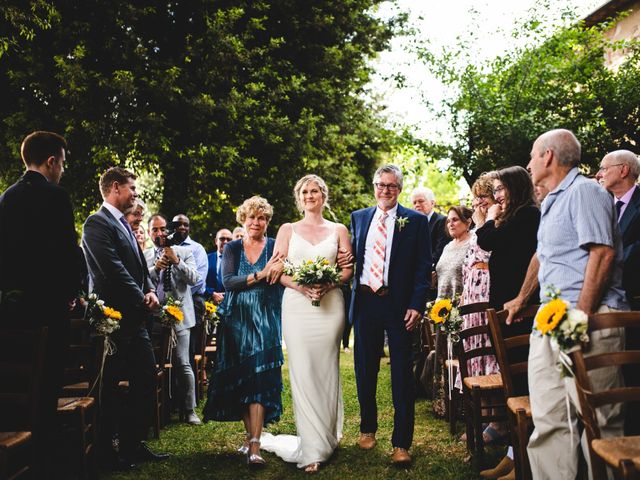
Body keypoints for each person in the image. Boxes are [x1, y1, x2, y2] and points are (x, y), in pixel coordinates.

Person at [505, 129, 627, 480]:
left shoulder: (585, 191)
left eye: (531, 155)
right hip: (549, 319)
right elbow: (543, 256)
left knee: (599, 421)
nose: (528, 163)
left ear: (547, 156)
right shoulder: (552, 201)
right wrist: (522, 297)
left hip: (587, 320)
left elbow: (602, 253)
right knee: (549, 419)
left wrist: (580, 317)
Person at [0, 131, 80, 478]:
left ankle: (18, 456)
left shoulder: (8, 197)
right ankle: (45, 458)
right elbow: (66, 253)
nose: (61, 169)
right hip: (50, 308)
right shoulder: (56, 197)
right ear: (51, 161)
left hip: (15, 311)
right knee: (47, 384)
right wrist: (72, 294)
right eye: (61, 163)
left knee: (16, 383)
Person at [261, 175, 353, 473]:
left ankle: (327, 435)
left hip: (330, 307)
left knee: (326, 369)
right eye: (305, 191)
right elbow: (276, 270)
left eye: (315, 191)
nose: (310, 195)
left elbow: (347, 268)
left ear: (323, 196)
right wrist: (302, 287)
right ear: (298, 197)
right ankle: (312, 446)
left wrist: (327, 284)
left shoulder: (338, 230)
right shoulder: (287, 229)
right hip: (297, 306)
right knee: (302, 371)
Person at [82, 167, 169, 470]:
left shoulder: (123, 224)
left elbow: (137, 267)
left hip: (136, 320)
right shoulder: (96, 223)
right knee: (108, 388)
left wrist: (148, 288)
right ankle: (106, 450)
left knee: (145, 380)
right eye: (132, 187)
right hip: (113, 321)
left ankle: (131, 444)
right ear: (115, 188)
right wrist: (141, 296)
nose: (135, 193)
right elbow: (111, 268)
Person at [349, 164, 431, 465]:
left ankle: (401, 444)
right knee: (364, 370)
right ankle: (368, 428)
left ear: (400, 188)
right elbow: (353, 259)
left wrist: (416, 304)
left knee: (401, 376)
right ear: (374, 186)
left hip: (399, 306)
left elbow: (424, 267)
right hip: (366, 304)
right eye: (380, 185)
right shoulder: (359, 218)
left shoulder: (416, 221)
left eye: (391, 186)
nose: (385, 190)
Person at [203, 196, 284, 467]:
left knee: (260, 378)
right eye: (252, 217)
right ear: (243, 219)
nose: (256, 222)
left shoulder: (275, 246)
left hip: (266, 317)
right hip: (236, 319)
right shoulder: (233, 247)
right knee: (243, 378)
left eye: (261, 218)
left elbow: (284, 276)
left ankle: (256, 444)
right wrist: (261, 275)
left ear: (267, 221)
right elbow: (229, 282)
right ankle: (251, 438)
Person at [596, 149, 640, 436]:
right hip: (610, 304)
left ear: (623, 170)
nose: (599, 173)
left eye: (604, 168)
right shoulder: (605, 207)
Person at [144, 214, 202, 426]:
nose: (159, 234)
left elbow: (195, 279)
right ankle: (156, 410)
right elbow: (140, 281)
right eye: (154, 230)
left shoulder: (185, 252)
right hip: (153, 317)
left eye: (162, 229)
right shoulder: (144, 255)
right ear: (149, 232)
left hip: (180, 316)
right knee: (150, 364)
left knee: (182, 362)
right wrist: (155, 268)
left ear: (168, 231)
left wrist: (176, 261)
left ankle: (189, 409)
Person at [431, 206, 472, 417]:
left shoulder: (473, 243)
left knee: (460, 358)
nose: (451, 224)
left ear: (468, 222)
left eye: (456, 220)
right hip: (442, 310)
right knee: (442, 357)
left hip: (462, 309)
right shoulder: (448, 246)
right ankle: (443, 405)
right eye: (449, 221)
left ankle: (463, 407)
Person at [411, 186, 450, 270]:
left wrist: (421, 267)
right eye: (414, 203)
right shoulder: (413, 225)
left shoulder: (441, 221)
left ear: (432, 203)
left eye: (421, 201)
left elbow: (440, 251)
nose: (417, 205)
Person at [205, 228, 232, 305]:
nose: (225, 242)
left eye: (229, 239)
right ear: (216, 241)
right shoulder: (206, 259)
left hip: (231, 304)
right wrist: (212, 294)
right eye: (222, 239)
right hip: (209, 303)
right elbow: (200, 281)